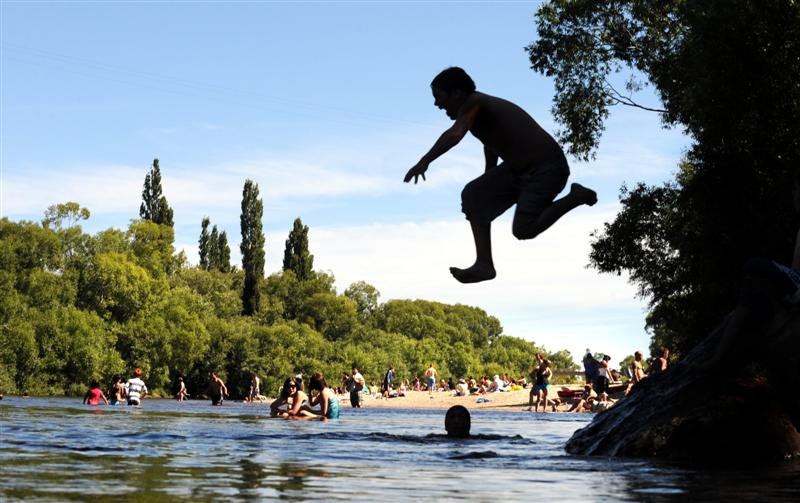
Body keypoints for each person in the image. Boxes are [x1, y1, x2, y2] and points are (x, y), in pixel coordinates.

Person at [404, 66, 597, 283]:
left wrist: (424, 161)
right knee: (474, 195)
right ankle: (484, 264)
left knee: (523, 229)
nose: (437, 104)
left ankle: (576, 197)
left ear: (457, 93)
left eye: (439, 97)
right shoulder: (480, 111)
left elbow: (455, 134)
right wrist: (489, 176)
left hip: (547, 169)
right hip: (520, 169)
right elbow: (491, 144)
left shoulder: (475, 103)